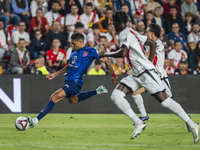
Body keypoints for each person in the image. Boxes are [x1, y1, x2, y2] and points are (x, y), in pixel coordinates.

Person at [99, 11, 199, 142]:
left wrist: (105, 54)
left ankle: (193, 125)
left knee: (166, 101)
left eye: (113, 22)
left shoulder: (124, 33)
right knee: (116, 96)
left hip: (146, 73)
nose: (112, 25)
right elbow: (152, 43)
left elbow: (123, 52)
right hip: (137, 74)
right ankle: (138, 122)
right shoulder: (132, 32)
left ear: (117, 22)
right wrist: (149, 61)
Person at [27, 33, 118, 128]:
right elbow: (68, 67)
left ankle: (35, 120)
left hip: (75, 82)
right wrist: (54, 74)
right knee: (73, 100)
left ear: (81, 42)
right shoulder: (74, 51)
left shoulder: (91, 51)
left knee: (54, 97)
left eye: (74, 43)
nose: (72, 45)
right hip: (68, 81)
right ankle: (98, 91)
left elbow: (106, 61)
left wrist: (113, 75)